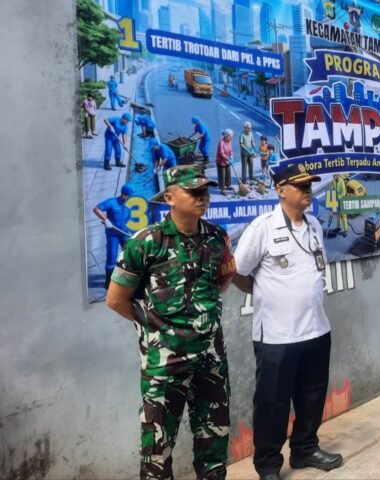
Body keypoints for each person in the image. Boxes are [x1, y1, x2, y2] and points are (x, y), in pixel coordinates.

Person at [106, 165, 234, 480]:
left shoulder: (217, 237)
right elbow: (116, 299)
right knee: (156, 453)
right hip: (166, 363)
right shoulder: (147, 242)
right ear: (169, 197)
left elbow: (223, 280)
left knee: (214, 444)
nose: (202, 197)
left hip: (210, 358)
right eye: (193, 191)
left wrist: (199, 316)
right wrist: (156, 329)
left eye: (204, 190)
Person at [233, 164, 343, 480]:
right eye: (300, 185)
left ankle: (305, 448)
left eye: (309, 185)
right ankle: (268, 465)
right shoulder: (262, 227)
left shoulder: (315, 226)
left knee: (312, 395)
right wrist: (263, 292)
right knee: (272, 403)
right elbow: (238, 270)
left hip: (316, 329)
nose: (307, 189)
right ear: (281, 190)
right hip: (276, 335)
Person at [93, 184, 134, 289]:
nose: (130, 198)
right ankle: (108, 281)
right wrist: (106, 220)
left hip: (123, 233)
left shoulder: (128, 206)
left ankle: (125, 276)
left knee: (129, 253)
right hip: (112, 234)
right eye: (129, 196)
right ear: (124, 195)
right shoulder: (112, 202)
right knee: (111, 255)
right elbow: (96, 209)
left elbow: (127, 219)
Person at [216, 129, 234, 195]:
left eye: (232, 136)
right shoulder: (221, 142)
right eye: (230, 136)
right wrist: (228, 159)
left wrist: (231, 157)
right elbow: (222, 153)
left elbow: (231, 151)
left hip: (227, 160)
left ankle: (228, 185)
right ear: (226, 136)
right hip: (221, 161)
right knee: (222, 175)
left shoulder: (229, 142)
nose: (231, 138)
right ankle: (222, 189)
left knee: (228, 173)